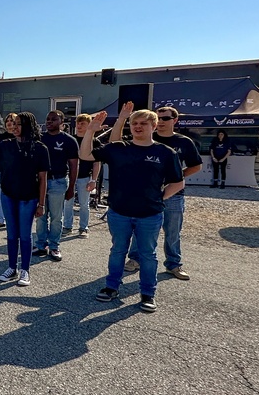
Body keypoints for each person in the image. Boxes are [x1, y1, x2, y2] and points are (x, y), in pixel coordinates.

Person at [83, 107, 184, 313]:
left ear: (153, 126)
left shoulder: (165, 153)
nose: (138, 127)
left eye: (143, 123)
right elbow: (85, 155)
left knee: (148, 255)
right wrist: (90, 131)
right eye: (134, 123)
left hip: (150, 214)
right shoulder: (118, 148)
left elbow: (178, 182)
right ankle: (111, 287)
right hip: (119, 212)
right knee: (117, 251)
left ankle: (148, 293)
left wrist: (159, 198)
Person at [116, 104, 202, 281]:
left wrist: (177, 177)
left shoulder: (184, 142)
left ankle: (173, 264)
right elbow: (116, 145)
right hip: (145, 194)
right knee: (139, 229)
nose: (161, 121)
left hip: (174, 194)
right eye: (158, 118)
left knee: (172, 231)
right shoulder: (146, 136)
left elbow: (196, 166)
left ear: (175, 120)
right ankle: (134, 260)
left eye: (166, 118)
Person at [0, 112, 49, 286]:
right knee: (11, 235)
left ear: (29, 126)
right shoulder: (5, 145)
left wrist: (41, 204)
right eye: (13, 123)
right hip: (8, 195)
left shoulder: (40, 148)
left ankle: (25, 270)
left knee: (25, 235)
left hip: (29, 197)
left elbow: (43, 179)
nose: (15, 127)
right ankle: (12, 268)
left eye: (19, 124)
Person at [32, 110, 78, 262]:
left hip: (58, 182)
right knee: (40, 216)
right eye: (48, 119)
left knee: (56, 217)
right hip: (40, 182)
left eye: (54, 119)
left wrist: (72, 187)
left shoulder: (69, 141)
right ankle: (40, 245)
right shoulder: (39, 139)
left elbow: (73, 166)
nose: (49, 121)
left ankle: (54, 246)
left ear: (61, 122)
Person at [63, 114, 102, 238]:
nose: (79, 126)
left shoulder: (95, 142)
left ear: (89, 125)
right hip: (70, 176)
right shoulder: (70, 140)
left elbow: (97, 163)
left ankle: (83, 227)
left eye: (83, 124)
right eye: (78, 123)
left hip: (85, 176)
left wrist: (93, 180)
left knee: (84, 204)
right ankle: (67, 226)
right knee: (67, 203)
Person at [0, 113, 19, 230]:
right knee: (0, 195)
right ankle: (0, 219)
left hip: (16, 172)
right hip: (0, 170)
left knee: (16, 196)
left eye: (12, 120)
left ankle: (15, 219)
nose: (10, 123)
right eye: (8, 121)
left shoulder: (20, 137)